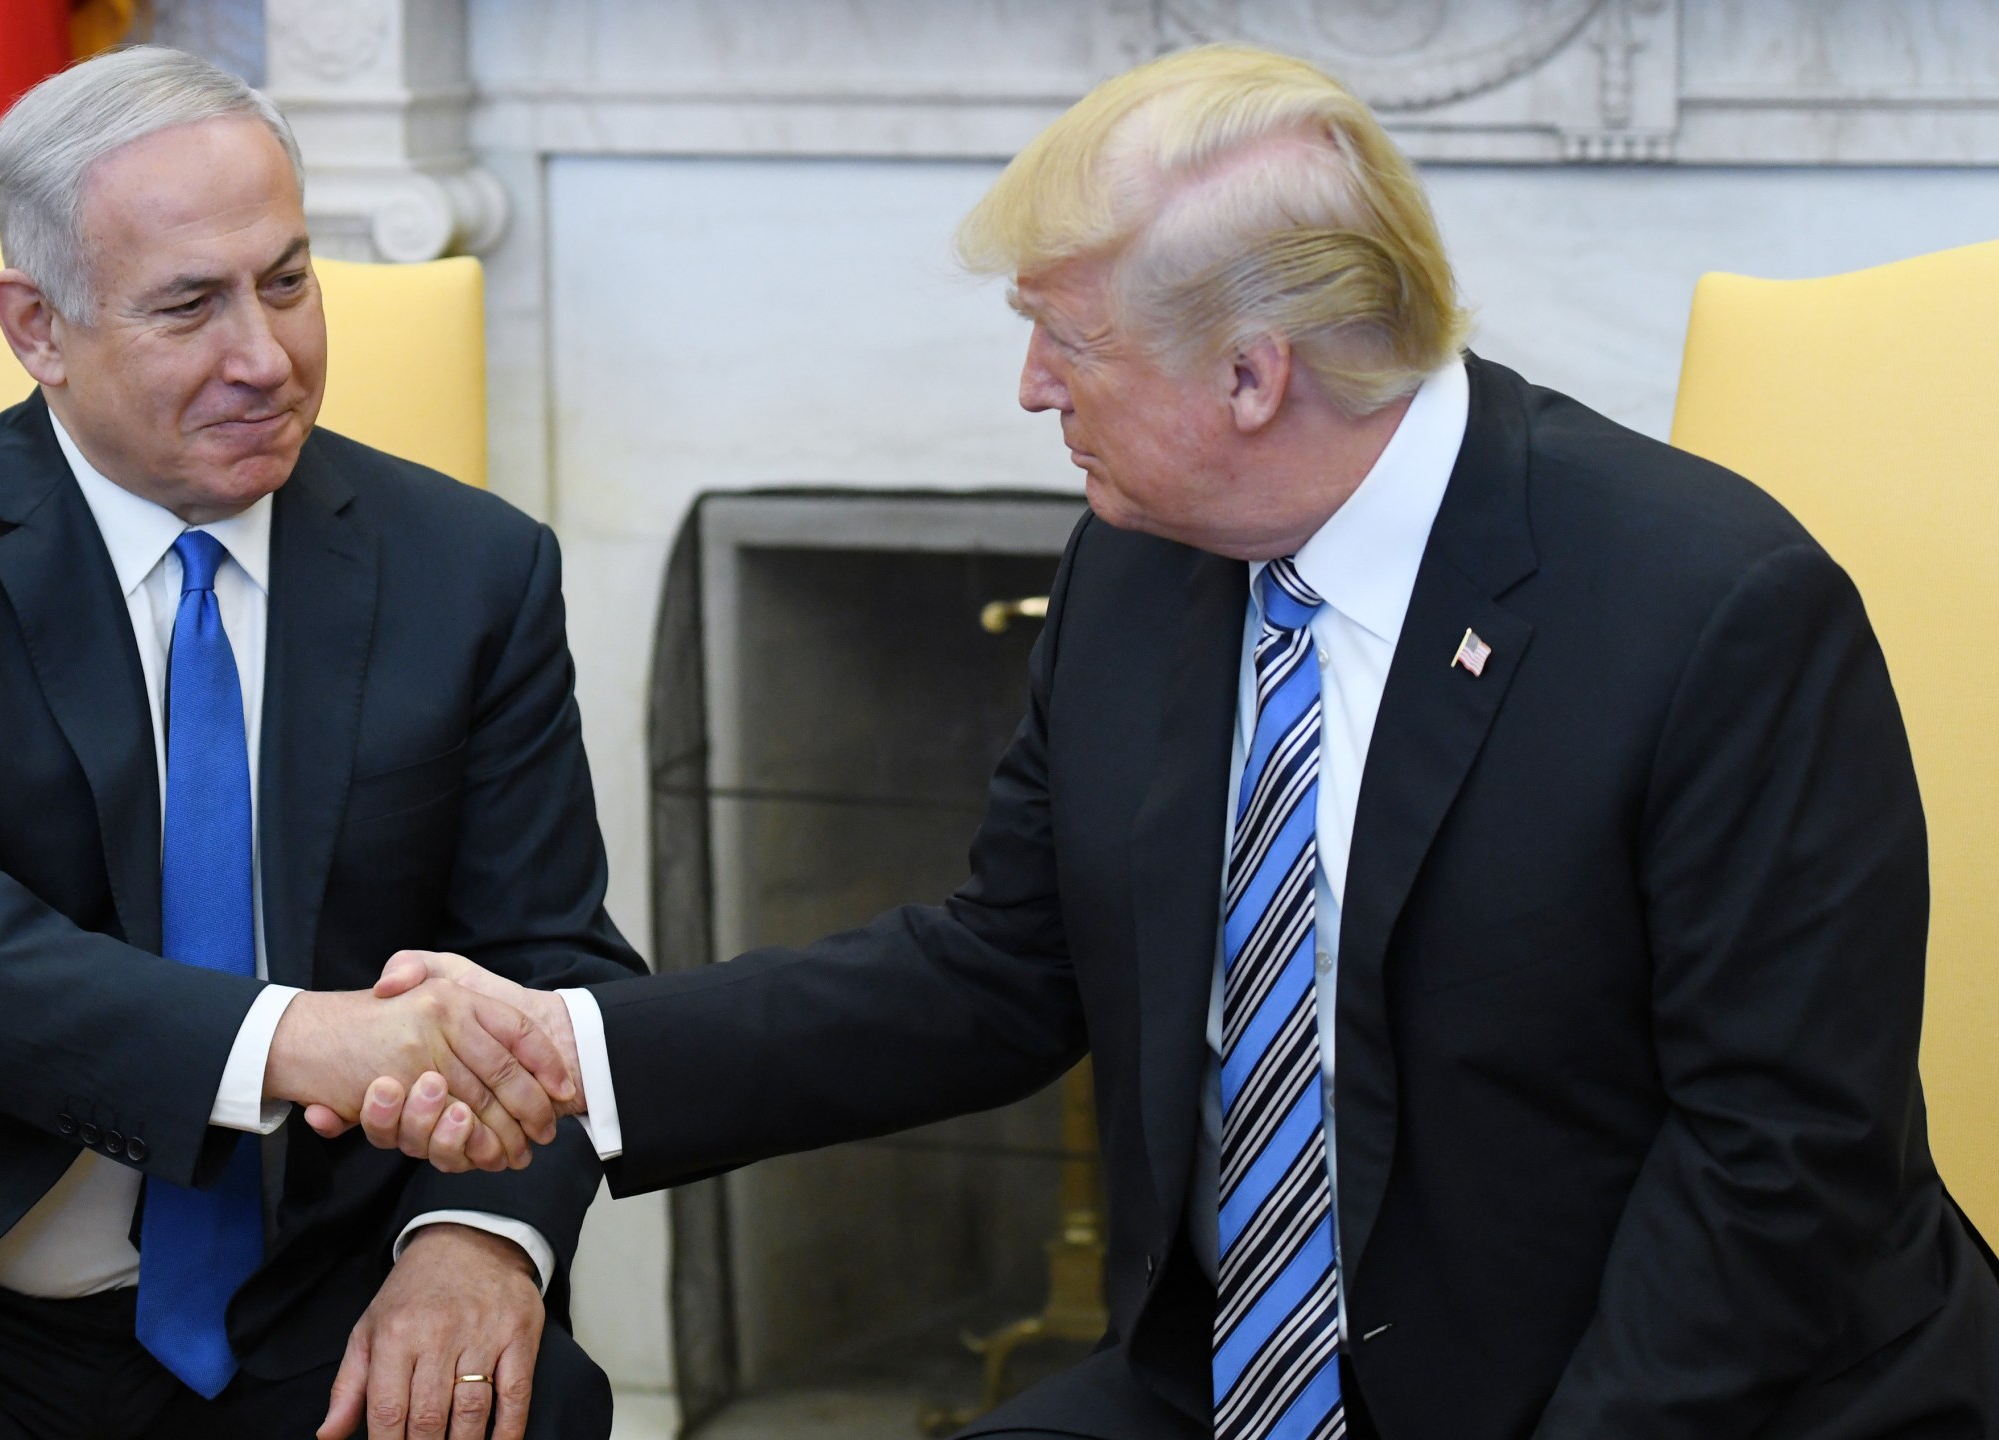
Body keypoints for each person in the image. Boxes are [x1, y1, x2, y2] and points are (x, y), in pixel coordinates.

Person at [357, 44, 1999, 1440]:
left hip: (1657, 1390)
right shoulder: (1143, 563)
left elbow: (1779, 1169)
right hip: (1239, 1374)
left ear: (1249, 376)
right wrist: (574, 1053)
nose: (1026, 386)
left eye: (1065, 341)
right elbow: (998, 970)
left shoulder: (1712, 610)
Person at [0, 46, 636, 1440]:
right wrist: (291, 1042)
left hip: (318, 1293)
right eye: (188, 307)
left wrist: (473, 1243)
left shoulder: (474, 570)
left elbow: (552, 967)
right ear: (36, 327)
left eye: (288, 280)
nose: (264, 358)